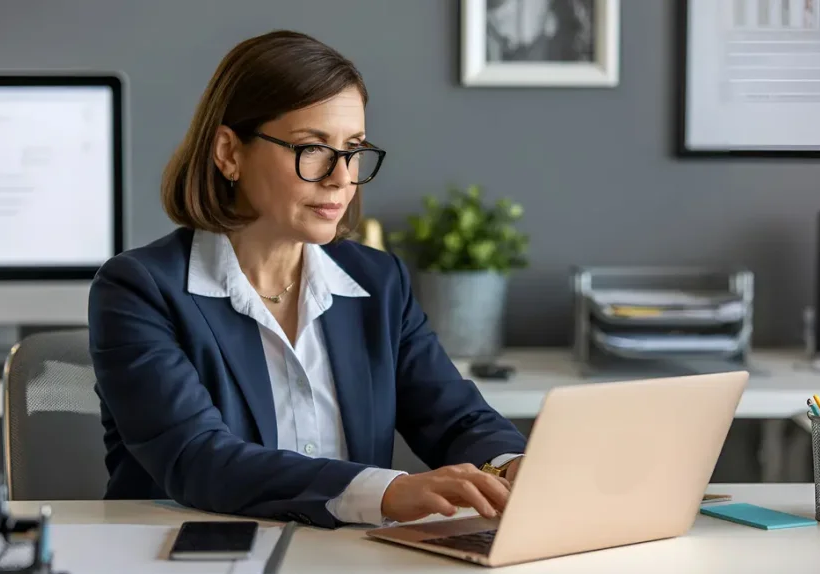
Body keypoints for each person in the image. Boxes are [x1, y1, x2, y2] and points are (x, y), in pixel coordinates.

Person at [88, 30, 527, 530]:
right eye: (312, 148)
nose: (341, 177)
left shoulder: (378, 282)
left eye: (353, 149)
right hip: (191, 563)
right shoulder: (139, 290)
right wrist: (388, 491)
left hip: (347, 565)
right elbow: (199, 458)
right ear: (229, 153)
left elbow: (455, 418)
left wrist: (509, 465)